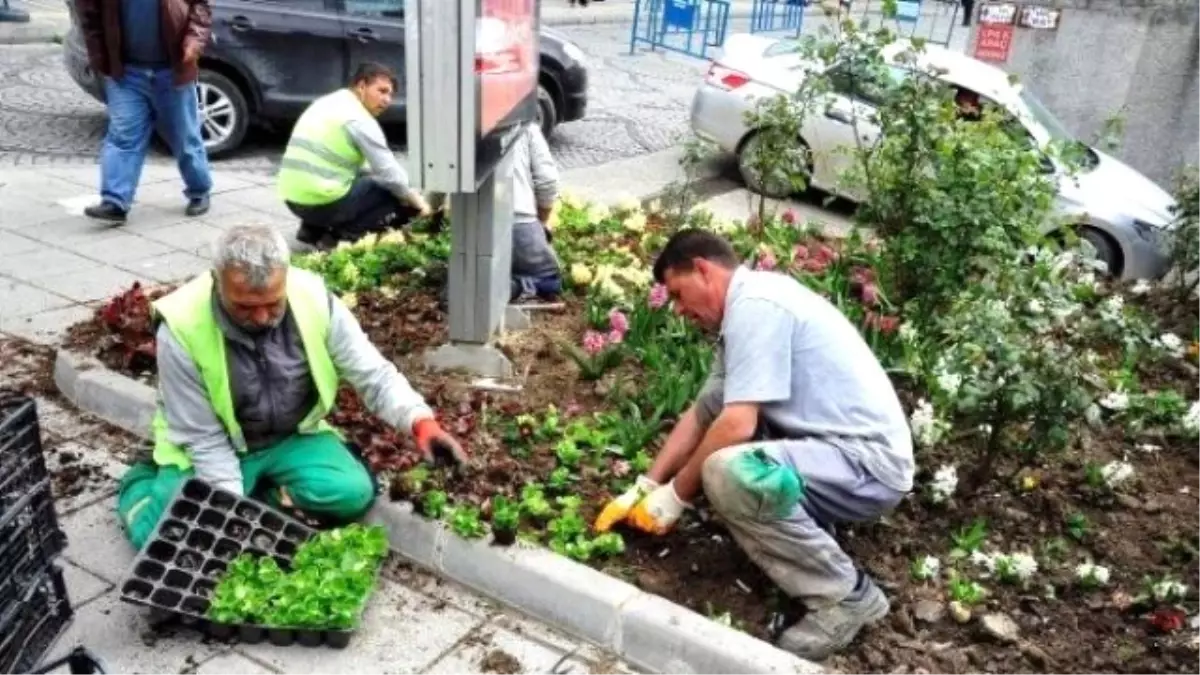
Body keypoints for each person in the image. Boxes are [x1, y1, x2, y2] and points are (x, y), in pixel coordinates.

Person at [594, 229, 915, 660]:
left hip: (866, 467)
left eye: (678, 293)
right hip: (833, 455)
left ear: (704, 270)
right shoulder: (747, 308)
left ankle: (846, 596)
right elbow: (705, 409)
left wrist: (676, 495)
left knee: (730, 472)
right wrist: (645, 487)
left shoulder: (757, 307)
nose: (678, 310)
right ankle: (812, 532)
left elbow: (737, 425)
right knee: (723, 432)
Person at [116, 225, 466, 549]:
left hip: (289, 438)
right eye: (245, 307)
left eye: (273, 304)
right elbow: (204, 438)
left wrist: (422, 423)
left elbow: (373, 374)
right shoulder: (181, 326)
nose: (262, 318)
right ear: (217, 282)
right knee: (164, 537)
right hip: (210, 446)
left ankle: (258, 490)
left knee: (351, 492)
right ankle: (142, 483)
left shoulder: (313, 298)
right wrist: (228, 507)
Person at [77, 0, 215, 224]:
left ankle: (199, 189)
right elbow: (90, 16)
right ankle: (115, 202)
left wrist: (194, 41)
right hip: (126, 73)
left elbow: (201, 8)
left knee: (184, 136)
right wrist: (100, 60)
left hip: (172, 69)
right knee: (123, 136)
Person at [278, 62, 433, 249]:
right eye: (382, 91)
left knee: (364, 177)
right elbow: (393, 177)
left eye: (390, 94)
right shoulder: (359, 120)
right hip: (317, 202)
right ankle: (341, 236)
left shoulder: (331, 101)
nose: (387, 100)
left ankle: (311, 230)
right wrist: (420, 205)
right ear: (361, 86)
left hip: (292, 196)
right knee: (392, 194)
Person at [509, 121, 563, 302]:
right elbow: (547, 181)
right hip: (519, 223)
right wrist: (542, 221)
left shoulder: (462, 122)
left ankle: (475, 284)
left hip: (470, 228)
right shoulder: (524, 125)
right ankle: (514, 287)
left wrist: (431, 207)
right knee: (551, 282)